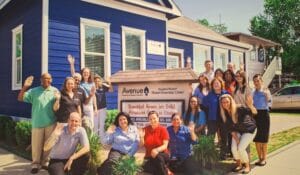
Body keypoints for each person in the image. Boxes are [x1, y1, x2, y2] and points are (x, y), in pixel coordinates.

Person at [17, 73, 58, 174]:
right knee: (36, 146)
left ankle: (45, 163)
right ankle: (35, 164)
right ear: (41, 80)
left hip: (51, 122)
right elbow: (20, 98)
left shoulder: (55, 91)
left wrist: (58, 99)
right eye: (44, 78)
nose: (46, 80)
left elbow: (58, 107)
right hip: (37, 122)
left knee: (49, 145)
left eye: (49, 78)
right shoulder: (34, 91)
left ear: (51, 80)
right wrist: (25, 87)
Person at [219, 94, 257, 174]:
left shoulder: (239, 108)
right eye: (223, 102)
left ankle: (247, 166)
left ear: (231, 101)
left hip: (249, 130)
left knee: (240, 148)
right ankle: (239, 165)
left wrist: (250, 105)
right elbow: (230, 129)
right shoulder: (224, 113)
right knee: (233, 149)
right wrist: (237, 140)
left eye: (227, 102)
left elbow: (254, 112)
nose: (225, 104)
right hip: (238, 131)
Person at [202, 78, 229, 160]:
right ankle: (210, 154)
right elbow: (204, 107)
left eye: (217, 83)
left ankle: (223, 154)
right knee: (210, 137)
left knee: (224, 137)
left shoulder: (226, 93)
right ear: (212, 86)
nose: (216, 85)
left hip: (223, 119)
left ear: (221, 84)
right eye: (214, 84)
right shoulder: (209, 95)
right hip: (212, 120)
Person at [68, 55, 96, 127]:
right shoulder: (79, 82)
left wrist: (95, 107)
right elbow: (73, 74)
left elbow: (94, 96)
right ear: (82, 73)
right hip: (81, 104)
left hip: (89, 104)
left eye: (87, 73)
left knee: (90, 123)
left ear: (89, 74)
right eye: (84, 72)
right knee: (81, 122)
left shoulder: (92, 83)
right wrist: (72, 64)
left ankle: (89, 137)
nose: (86, 74)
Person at [141, 111, 170, 175]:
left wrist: (156, 150)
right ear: (148, 120)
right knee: (147, 167)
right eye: (150, 119)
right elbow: (141, 145)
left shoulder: (163, 129)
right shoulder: (145, 130)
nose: (152, 120)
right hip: (149, 156)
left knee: (158, 158)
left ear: (158, 118)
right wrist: (141, 137)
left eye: (154, 118)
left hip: (163, 155)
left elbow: (165, 145)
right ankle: (166, 170)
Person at [252, 74, 271, 166]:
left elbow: (270, 103)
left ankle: (264, 158)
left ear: (261, 81)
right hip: (255, 115)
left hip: (264, 114)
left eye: (258, 81)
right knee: (257, 138)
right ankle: (259, 158)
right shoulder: (253, 92)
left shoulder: (266, 90)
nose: (256, 83)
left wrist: (266, 95)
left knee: (264, 138)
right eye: (254, 81)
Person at [94, 75, 113, 141]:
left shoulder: (103, 87)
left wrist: (109, 82)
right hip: (95, 109)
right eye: (96, 81)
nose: (97, 82)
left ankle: (101, 140)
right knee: (95, 125)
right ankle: (95, 140)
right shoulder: (93, 88)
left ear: (100, 81)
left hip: (103, 108)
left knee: (102, 124)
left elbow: (111, 90)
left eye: (98, 81)